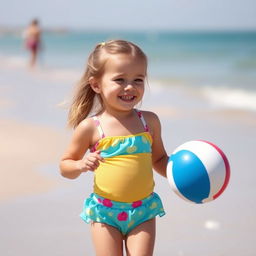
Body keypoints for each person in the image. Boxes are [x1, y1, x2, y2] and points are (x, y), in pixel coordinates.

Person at [59, 40, 169, 256]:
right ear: (96, 84)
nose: (130, 87)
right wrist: (81, 164)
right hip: (105, 213)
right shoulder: (91, 127)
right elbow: (65, 166)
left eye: (138, 79)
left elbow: (159, 160)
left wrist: (181, 175)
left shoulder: (149, 122)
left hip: (143, 211)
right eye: (120, 80)